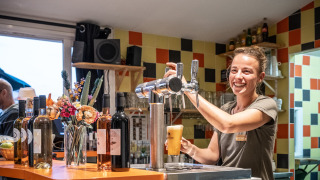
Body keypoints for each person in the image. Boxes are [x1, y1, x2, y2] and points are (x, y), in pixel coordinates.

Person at [164, 46, 277, 180]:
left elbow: (228, 124)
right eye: (234, 70)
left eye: (246, 71)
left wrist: (187, 89)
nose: (238, 76)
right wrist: (190, 148)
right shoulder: (226, 109)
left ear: (260, 77)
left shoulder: (266, 105)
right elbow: (212, 156)